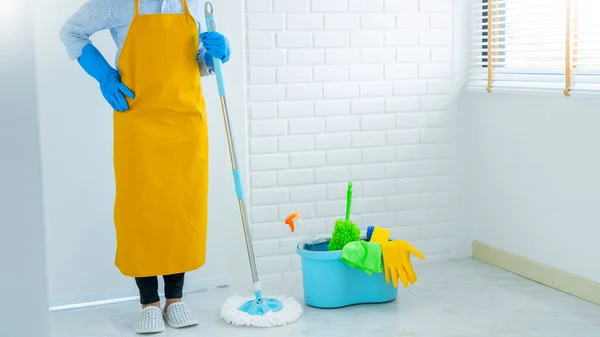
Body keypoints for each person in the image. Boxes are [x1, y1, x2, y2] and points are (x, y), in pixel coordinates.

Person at [59, 0, 230, 334]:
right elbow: (71, 32)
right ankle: (149, 302)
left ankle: (176, 300)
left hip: (185, 121)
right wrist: (104, 75)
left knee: (182, 206)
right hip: (138, 119)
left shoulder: (192, 4)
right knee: (141, 209)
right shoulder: (116, 3)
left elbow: (198, 62)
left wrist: (215, 55)